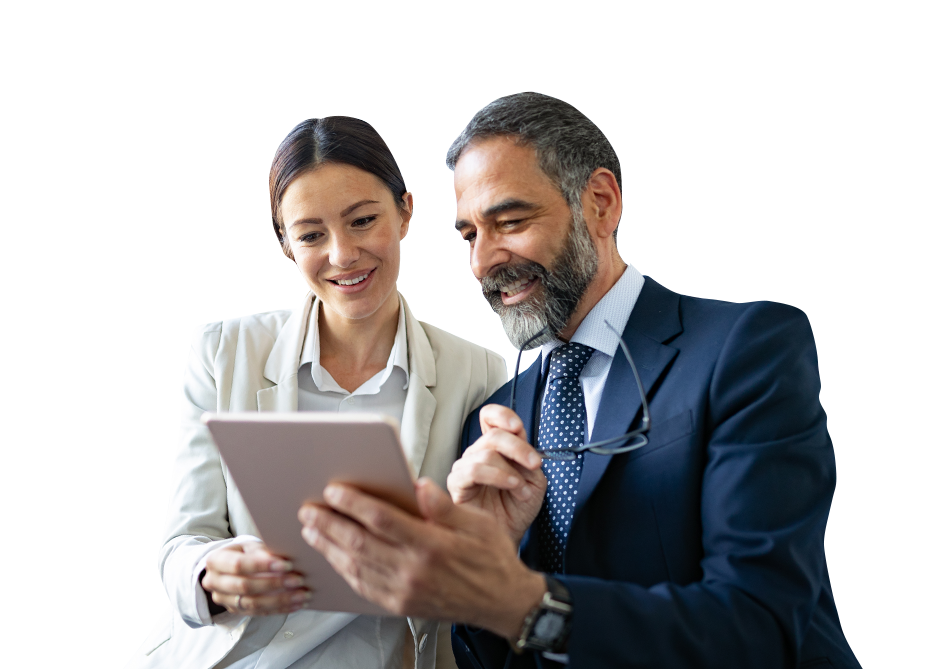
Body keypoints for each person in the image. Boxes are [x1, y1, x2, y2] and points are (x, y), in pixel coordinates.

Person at [296, 92, 862, 668]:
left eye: (510, 222)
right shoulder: (494, 417)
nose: (484, 261)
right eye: (469, 235)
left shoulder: (746, 346)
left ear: (600, 204)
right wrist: (484, 563)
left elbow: (761, 626)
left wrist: (516, 598)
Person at [125, 115, 507, 669]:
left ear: (405, 212)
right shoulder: (223, 353)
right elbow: (183, 543)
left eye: (362, 220)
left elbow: (482, 559)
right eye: (310, 235)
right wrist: (211, 574)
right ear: (287, 245)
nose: (342, 254)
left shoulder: (477, 374)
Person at [828, 395, 864, 663]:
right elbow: (833, 549)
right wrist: (832, 563)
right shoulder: (852, 482)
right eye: (859, 424)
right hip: (860, 619)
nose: (861, 434)